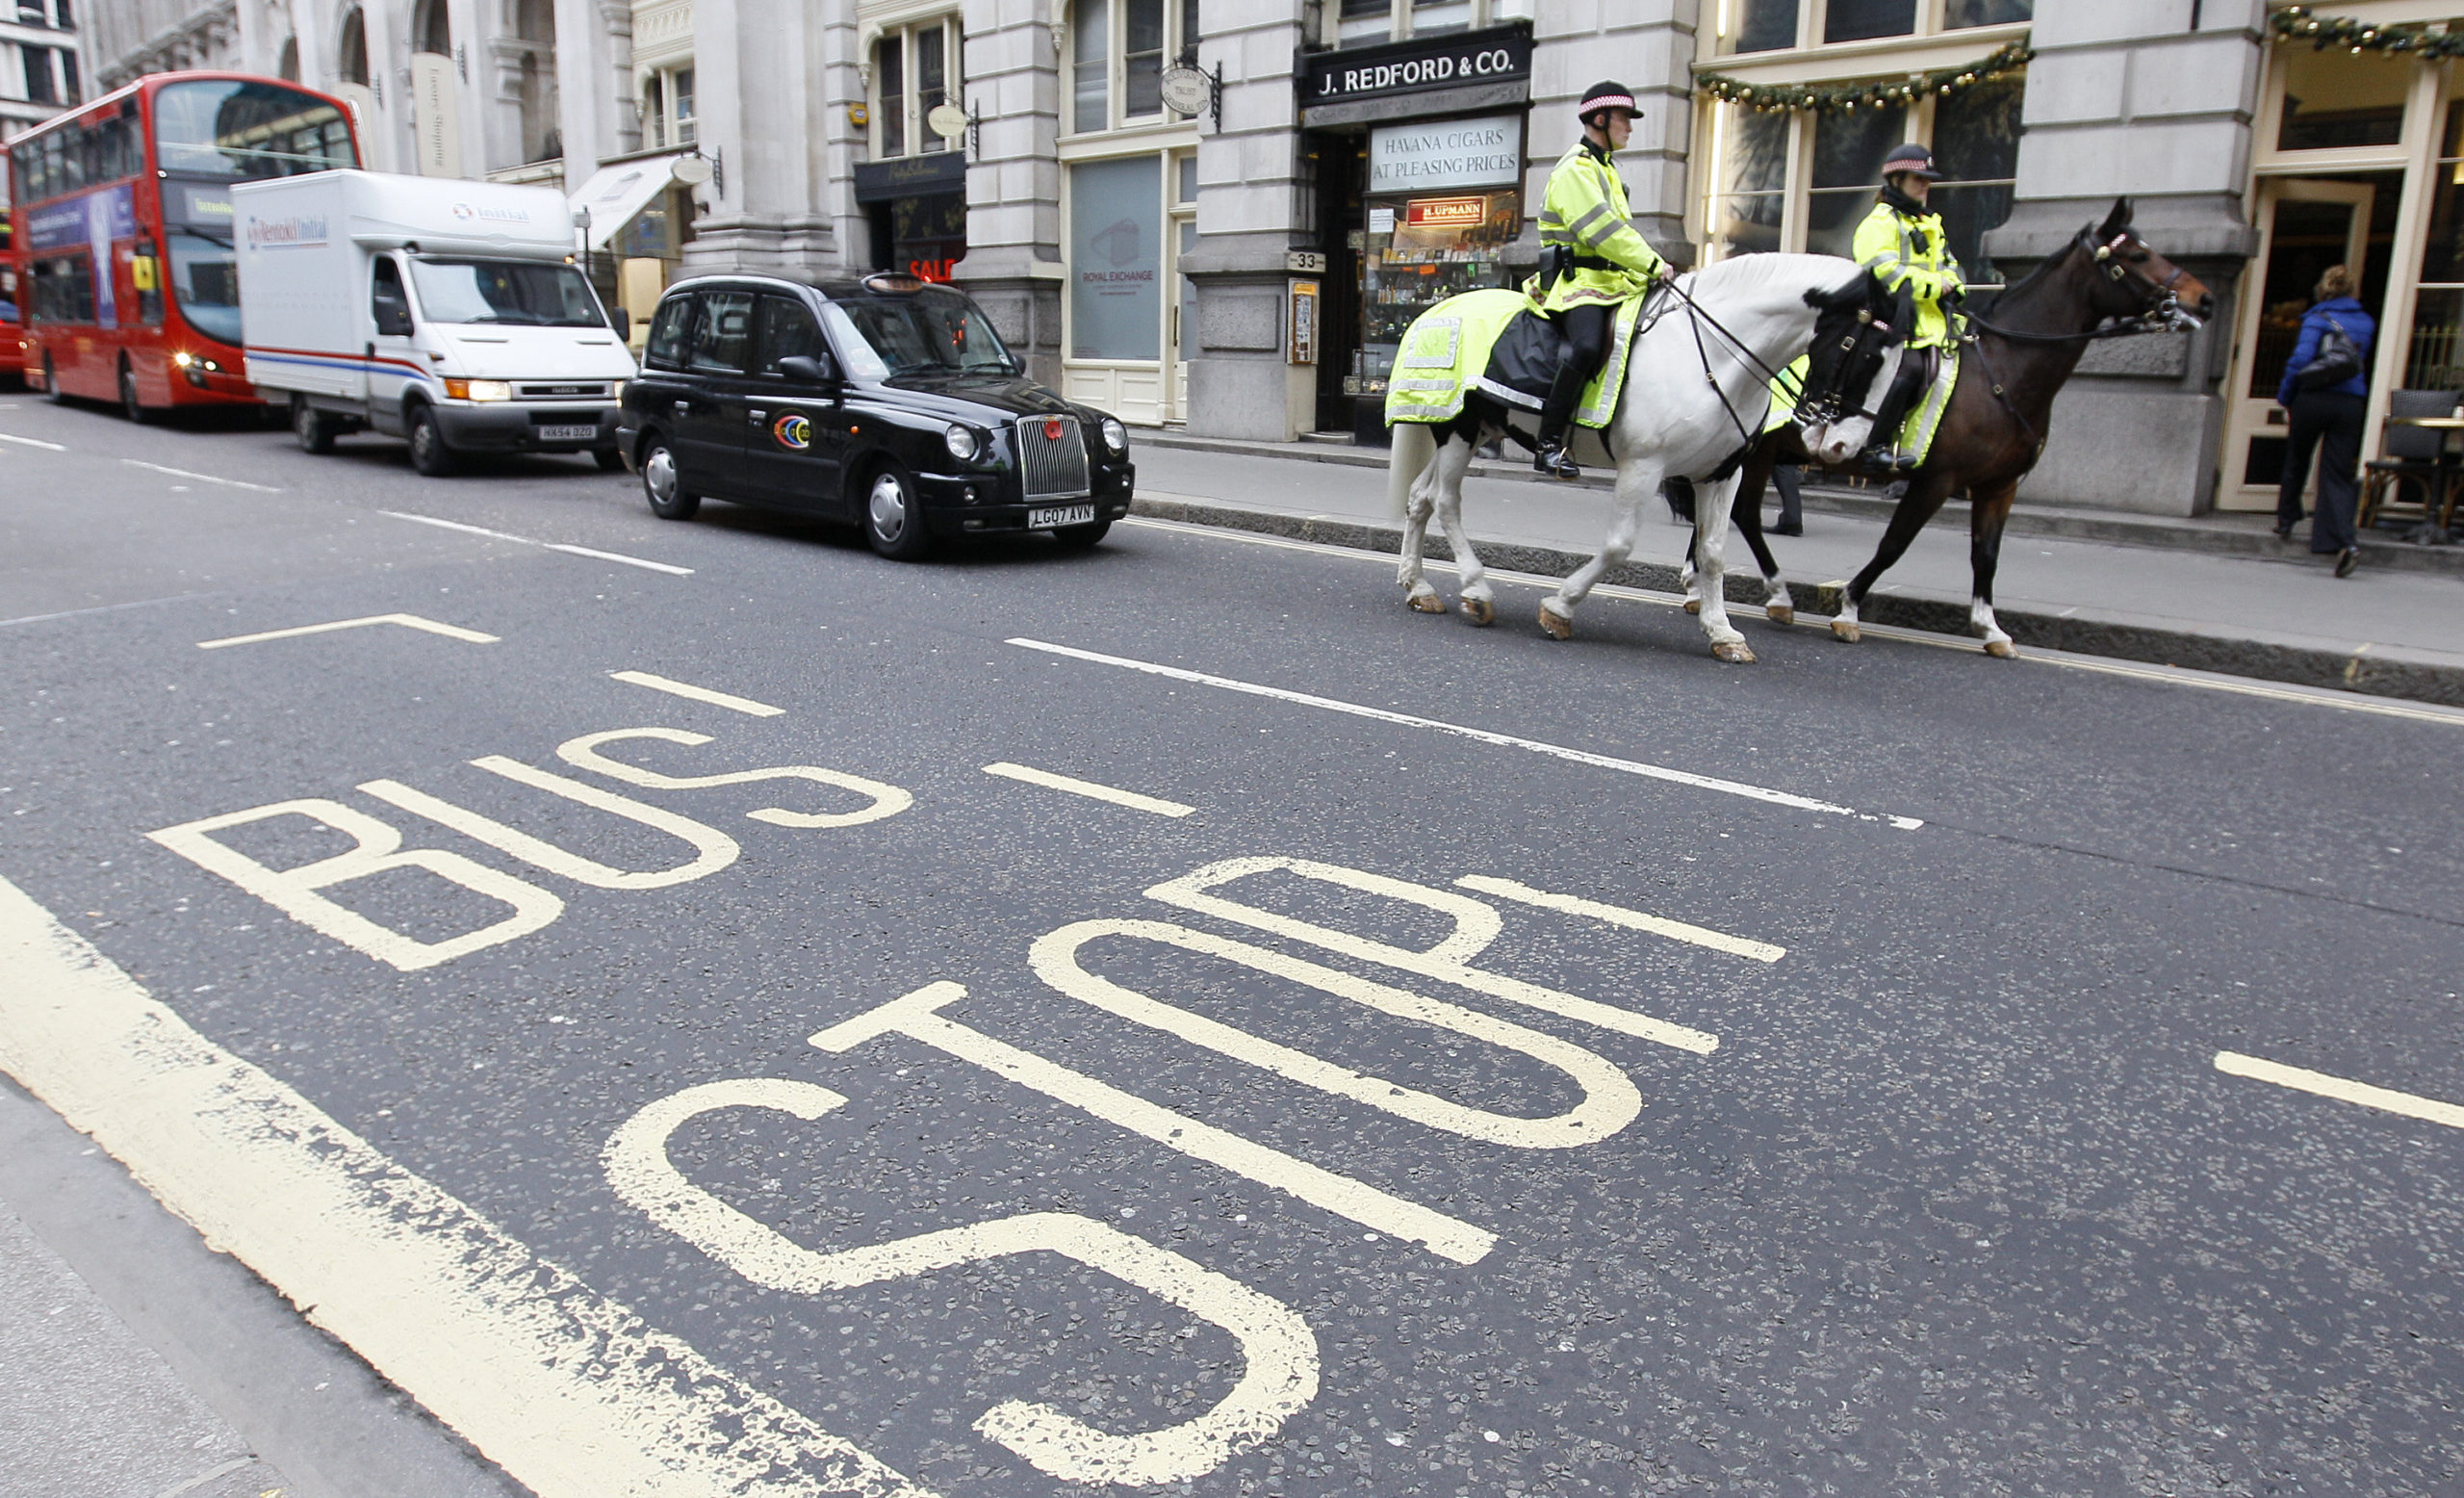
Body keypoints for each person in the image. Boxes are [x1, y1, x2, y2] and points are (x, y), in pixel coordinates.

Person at [1529, 81, 1667, 480]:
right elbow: (1602, 232)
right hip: (1578, 281)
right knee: (1586, 346)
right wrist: (1653, 263)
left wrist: (1646, 268)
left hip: (1614, 280)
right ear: (1600, 119)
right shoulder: (1575, 168)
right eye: (1625, 119)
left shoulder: (1605, 167)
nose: (1630, 128)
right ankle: (1548, 443)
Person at [1853, 142, 1963, 472]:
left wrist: (1951, 285)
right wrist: (1934, 285)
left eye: (1928, 179)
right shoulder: (1879, 223)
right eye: (1918, 178)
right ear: (1897, 179)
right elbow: (1884, 272)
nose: (1925, 185)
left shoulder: (1931, 224)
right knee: (1907, 372)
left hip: (1934, 323)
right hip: (1888, 321)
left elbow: (1952, 267)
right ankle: (1875, 446)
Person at [2274, 265, 2374, 579]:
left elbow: (2301, 361)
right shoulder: (2365, 321)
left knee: (2298, 458)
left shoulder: (2316, 320)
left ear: (2323, 289)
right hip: (2350, 402)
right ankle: (2344, 540)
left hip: (2313, 398)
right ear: (2352, 290)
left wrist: (2286, 396)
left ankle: (2287, 518)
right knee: (2338, 472)